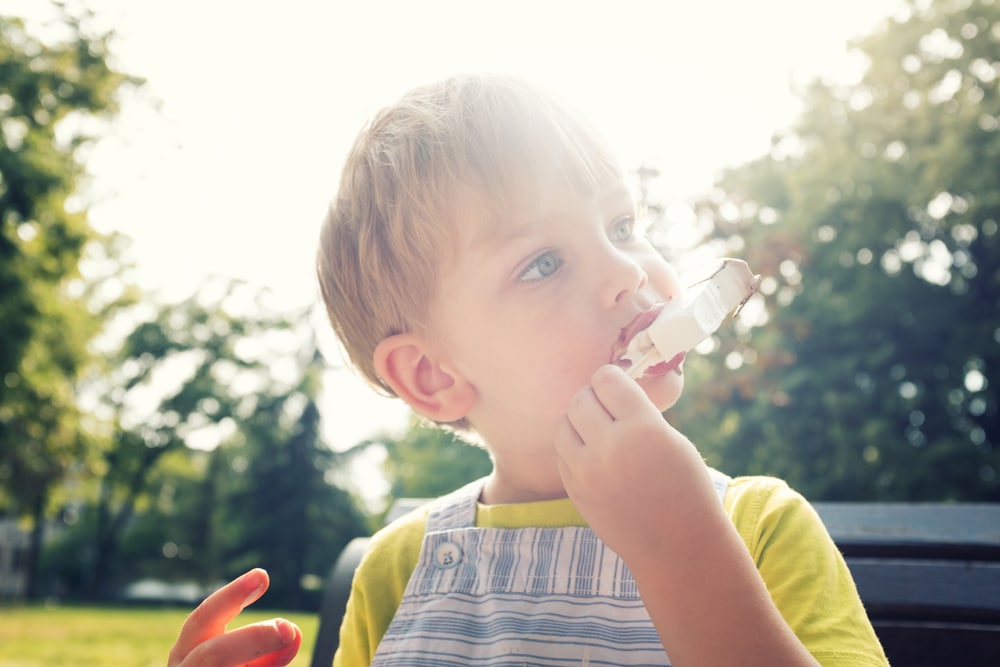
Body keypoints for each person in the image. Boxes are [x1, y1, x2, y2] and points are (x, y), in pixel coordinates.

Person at [169, 73, 889, 667]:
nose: (624, 271)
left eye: (622, 226)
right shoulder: (400, 570)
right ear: (431, 374)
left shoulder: (760, 528)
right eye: (542, 262)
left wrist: (686, 549)